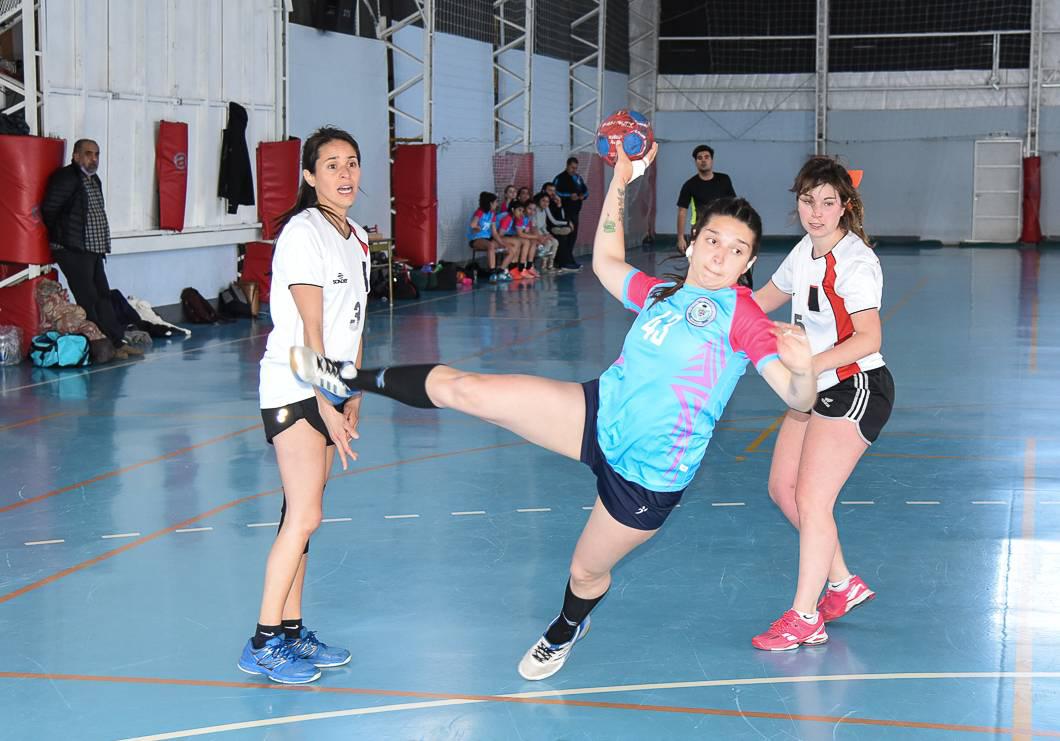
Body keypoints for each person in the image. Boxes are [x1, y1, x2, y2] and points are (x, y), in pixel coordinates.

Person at [289, 145, 818, 681]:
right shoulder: (662, 293)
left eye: (736, 250)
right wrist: (620, 179)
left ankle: (565, 628)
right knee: (469, 390)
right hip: (596, 414)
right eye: (713, 240)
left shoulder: (744, 316)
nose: (720, 255)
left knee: (585, 572)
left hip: (647, 476)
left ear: (749, 264)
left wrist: (802, 372)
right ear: (694, 239)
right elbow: (606, 261)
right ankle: (345, 377)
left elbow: (797, 399)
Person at [238, 127, 370, 684]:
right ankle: (263, 641)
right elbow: (311, 333)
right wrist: (326, 401)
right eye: (331, 164)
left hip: (329, 388)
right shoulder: (302, 232)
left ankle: (292, 633)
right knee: (305, 515)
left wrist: (351, 392)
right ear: (310, 176)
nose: (345, 173)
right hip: (294, 388)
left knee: (303, 516)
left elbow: (354, 323)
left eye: (352, 163)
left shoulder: (357, 237)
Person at [750, 156, 893, 651]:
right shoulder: (803, 252)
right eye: (807, 201)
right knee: (782, 488)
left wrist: (808, 364)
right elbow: (761, 301)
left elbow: (869, 338)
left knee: (813, 500)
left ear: (844, 206)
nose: (816, 212)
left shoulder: (855, 261)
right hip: (813, 385)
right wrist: (705, 300)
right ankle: (842, 583)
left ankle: (805, 616)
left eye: (827, 202)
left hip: (856, 386)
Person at [40, 139, 143, 360]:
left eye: (96, 154)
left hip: (93, 249)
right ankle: (102, 346)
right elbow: (49, 210)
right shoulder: (66, 178)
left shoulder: (94, 179)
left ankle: (117, 341)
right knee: (88, 298)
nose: (93, 159)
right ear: (76, 156)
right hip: (72, 249)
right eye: (88, 154)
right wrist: (64, 237)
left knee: (103, 296)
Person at [676, 145, 736, 255]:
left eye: (706, 157)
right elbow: (682, 212)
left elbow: (734, 205)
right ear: (695, 162)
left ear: (712, 160)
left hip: (724, 228)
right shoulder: (689, 185)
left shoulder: (724, 180)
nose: (703, 160)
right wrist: (680, 237)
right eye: (700, 158)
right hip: (700, 229)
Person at [467, 191, 513, 281]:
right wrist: (477, 228)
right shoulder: (479, 212)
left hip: (488, 239)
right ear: (490, 203)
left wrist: (502, 244)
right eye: (496, 202)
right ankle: (492, 273)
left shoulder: (492, 214)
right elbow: (473, 224)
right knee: (490, 245)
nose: (497, 204)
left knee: (510, 248)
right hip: (476, 239)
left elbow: (494, 233)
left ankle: (500, 271)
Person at [553, 157, 589, 249]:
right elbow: (554, 192)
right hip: (564, 211)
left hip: (575, 211)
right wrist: (569, 196)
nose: (574, 170)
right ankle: (563, 255)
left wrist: (582, 196)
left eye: (576, 168)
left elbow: (586, 191)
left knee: (573, 235)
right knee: (565, 234)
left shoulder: (578, 178)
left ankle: (569, 254)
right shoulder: (560, 178)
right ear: (567, 166)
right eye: (572, 168)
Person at [497, 201, 538, 279]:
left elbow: (526, 232)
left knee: (523, 242)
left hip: (507, 236)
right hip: (496, 238)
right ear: (513, 210)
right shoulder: (508, 218)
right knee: (519, 242)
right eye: (519, 210)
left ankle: (519, 268)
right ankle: (516, 269)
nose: (521, 213)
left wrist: (535, 237)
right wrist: (506, 245)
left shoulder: (516, 217)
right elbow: (499, 235)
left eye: (522, 211)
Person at [542, 181, 578, 271]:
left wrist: (559, 204)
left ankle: (568, 261)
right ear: (544, 191)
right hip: (548, 228)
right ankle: (563, 263)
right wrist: (567, 223)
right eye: (550, 190)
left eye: (554, 191)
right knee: (562, 237)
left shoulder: (554, 202)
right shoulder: (544, 202)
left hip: (556, 226)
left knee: (567, 236)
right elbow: (552, 220)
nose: (552, 193)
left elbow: (561, 217)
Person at [528, 194, 559, 272]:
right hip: (534, 234)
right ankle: (543, 265)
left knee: (555, 242)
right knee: (548, 243)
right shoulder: (535, 211)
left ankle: (550, 264)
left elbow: (543, 226)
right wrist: (540, 237)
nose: (545, 203)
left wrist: (547, 234)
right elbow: (533, 227)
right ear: (538, 201)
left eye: (547, 201)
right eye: (543, 201)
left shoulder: (543, 211)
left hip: (541, 233)